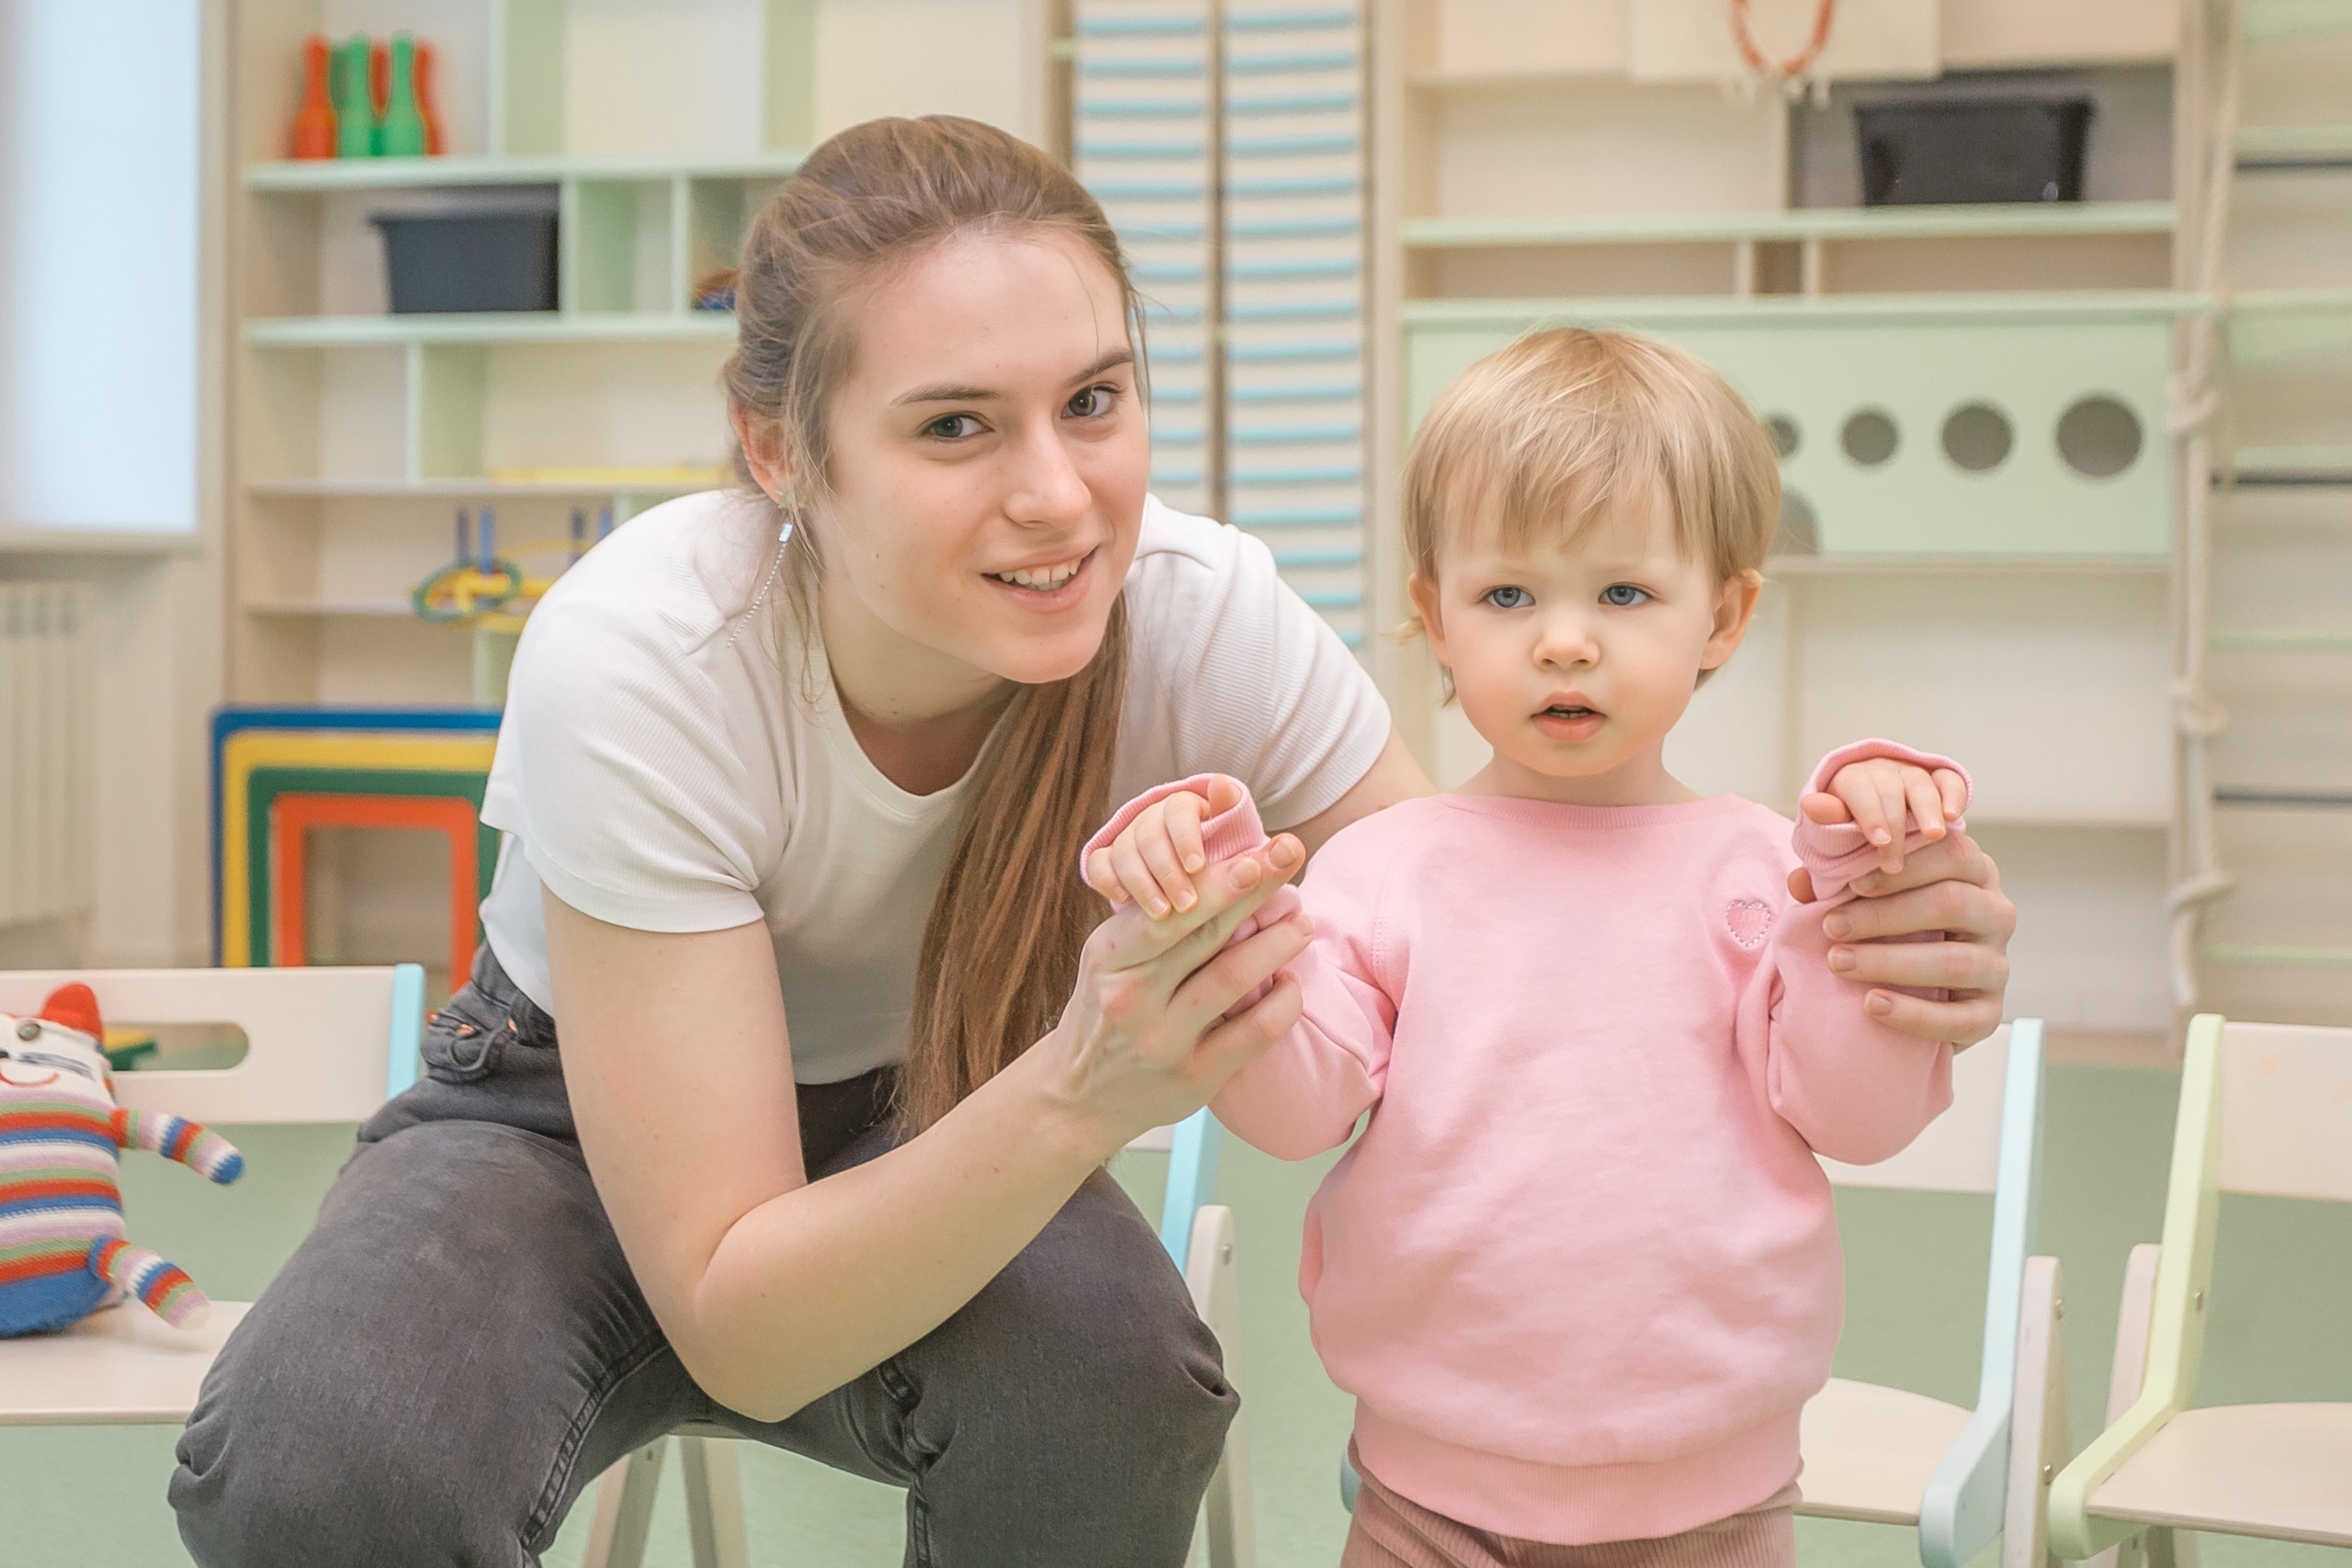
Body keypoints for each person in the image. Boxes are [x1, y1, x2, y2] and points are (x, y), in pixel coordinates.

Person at [169, 117, 2013, 1566]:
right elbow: (742, 1315)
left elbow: (1485, 937)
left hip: (937, 1087)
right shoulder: (640, 654)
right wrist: (1083, 1084)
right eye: (955, 424)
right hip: (565, 1116)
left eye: (1096, 400)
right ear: (775, 453)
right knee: (327, 1465)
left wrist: (1874, 941)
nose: (1057, 497)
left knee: (1123, 1389)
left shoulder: (1202, 611)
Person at [1083, 327, 1995, 1568]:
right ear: (1435, 617)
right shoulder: (1383, 868)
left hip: (1715, 1506)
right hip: (1425, 1503)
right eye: (1509, 595)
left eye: (1623, 593)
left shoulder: (1764, 868)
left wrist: (1860, 883)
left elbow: (1865, 1113)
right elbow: (1294, 1110)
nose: (1564, 640)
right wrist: (1212, 900)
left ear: (1722, 616)